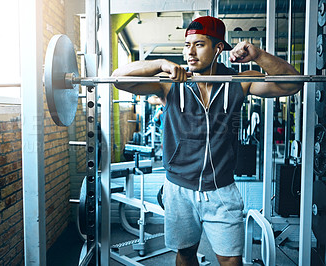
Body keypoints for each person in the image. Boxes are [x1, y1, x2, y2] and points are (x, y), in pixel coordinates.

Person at [112, 16, 302, 266]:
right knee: (186, 254)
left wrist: (257, 54)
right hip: (178, 189)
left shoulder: (238, 82)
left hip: (221, 189)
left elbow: (293, 85)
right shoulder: (171, 84)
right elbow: (118, 77)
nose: (189, 52)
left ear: (218, 48)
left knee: (231, 260)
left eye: (199, 44)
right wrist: (161, 63)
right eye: (187, 44)